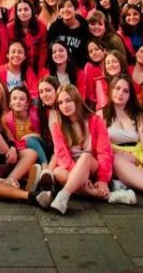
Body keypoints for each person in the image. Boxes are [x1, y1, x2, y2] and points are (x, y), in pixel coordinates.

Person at [44, 84, 132, 213]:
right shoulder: (58, 126)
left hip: (93, 166)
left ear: (77, 100)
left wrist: (102, 179)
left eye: (68, 100)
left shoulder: (95, 120)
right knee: (57, 172)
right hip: (72, 168)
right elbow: (61, 155)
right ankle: (108, 196)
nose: (65, 106)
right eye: (60, 103)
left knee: (85, 157)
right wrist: (79, 176)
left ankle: (64, 195)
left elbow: (104, 152)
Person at [47, 0, 93, 70]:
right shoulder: (55, 27)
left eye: (69, 6)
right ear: (59, 11)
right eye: (62, 7)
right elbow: (49, 50)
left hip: (79, 68)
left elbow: (86, 52)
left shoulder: (84, 27)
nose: (65, 9)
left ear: (75, 9)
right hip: (59, 68)